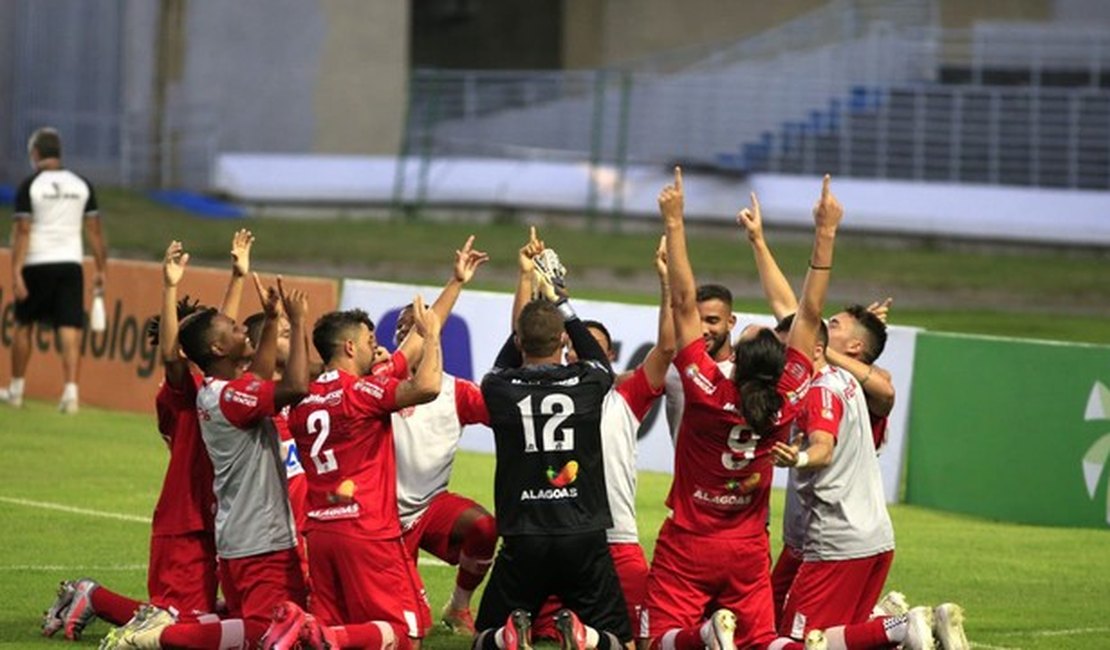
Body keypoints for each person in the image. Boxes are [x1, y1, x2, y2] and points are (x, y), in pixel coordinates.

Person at [639, 168, 833, 650]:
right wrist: (825, 233)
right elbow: (807, 315)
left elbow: (684, 302)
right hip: (747, 545)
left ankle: (705, 635)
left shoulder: (706, 388)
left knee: (657, 639)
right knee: (761, 640)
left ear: (737, 361)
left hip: (690, 539)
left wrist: (675, 222)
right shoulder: (789, 396)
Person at [42, 232, 253, 642]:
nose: (236, 329)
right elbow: (181, 354)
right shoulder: (182, 392)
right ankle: (94, 596)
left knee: (204, 619)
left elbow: (216, 341)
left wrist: (237, 277)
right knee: (179, 626)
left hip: (216, 518)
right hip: (186, 520)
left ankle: (97, 598)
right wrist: (169, 285)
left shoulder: (212, 383)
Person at [473, 237, 632, 650]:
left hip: (524, 533)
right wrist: (562, 301)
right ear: (564, 342)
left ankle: (510, 636)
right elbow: (597, 357)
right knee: (620, 641)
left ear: (521, 342)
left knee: (481, 639)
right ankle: (587, 638)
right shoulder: (589, 382)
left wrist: (526, 281)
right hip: (582, 532)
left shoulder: (498, 386)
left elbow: (505, 360)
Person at [277, 298, 446, 650]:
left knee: (341, 631)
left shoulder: (302, 402)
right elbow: (427, 386)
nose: (377, 349)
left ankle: (318, 630)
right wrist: (431, 337)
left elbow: (401, 357)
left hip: (321, 532)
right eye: (370, 342)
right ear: (350, 346)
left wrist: (455, 284)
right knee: (403, 636)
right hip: (367, 531)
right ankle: (317, 631)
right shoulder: (361, 392)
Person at [532, 235, 674, 642]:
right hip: (563, 538)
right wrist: (530, 281)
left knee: (641, 635)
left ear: (608, 359)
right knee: (543, 633)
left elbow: (667, 347)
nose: (577, 353)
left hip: (616, 538)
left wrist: (666, 280)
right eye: (570, 347)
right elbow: (525, 339)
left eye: (589, 348)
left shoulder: (625, 397)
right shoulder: (544, 391)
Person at [3, 127, 108, 413]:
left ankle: (16, 390)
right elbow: (95, 232)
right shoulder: (81, 184)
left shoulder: (29, 185)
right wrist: (100, 268)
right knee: (69, 326)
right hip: (70, 263)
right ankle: (71, 393)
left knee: (24, 324)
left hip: (36, 262)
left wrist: (15, 273)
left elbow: (23, 231)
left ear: (35, 154)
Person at [662, 283, 736, 441]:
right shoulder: (674, 365)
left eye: (712, 320)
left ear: (730, 322)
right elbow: (633, 385)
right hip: (685, 465)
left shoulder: (747, 368)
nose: (703, 330)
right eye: (696, 320)